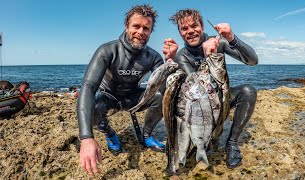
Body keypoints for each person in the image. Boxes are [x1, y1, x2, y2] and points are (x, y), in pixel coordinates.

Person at [77, 4, 177, 176]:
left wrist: (170, 62)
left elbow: (166, 88)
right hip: (108, 97)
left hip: (133, 97)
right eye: (136, 26)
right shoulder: (108, 50)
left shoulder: (153, 57)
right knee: (94, 106)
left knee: (161, 97)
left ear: (151, 32)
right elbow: (88, 87)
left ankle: (147, 134)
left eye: (146, 28)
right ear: (127, 26)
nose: (140, 31)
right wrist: (86, 138)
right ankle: (109, 133)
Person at [168, 9, 258, 169]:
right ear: (180, 32)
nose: (190, 31)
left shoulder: (218, 43)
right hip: (198, 108)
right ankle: (199, 140)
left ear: (202, 26)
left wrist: (231, 38)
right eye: (184, 28)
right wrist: (207, 57)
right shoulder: (182, 56)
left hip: (221, 100)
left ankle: (232, 143)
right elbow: (197, 90)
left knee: (248, 91)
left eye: (194, 26)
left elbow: (252, 61)